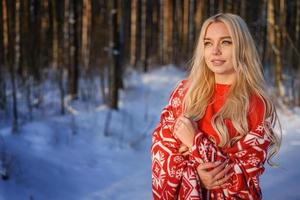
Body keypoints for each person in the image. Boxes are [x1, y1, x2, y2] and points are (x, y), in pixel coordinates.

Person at [151, 13, 281, 200]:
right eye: (208, 43)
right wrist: (196, 176)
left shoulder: (256, 104)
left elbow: (244, 180)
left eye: (226, 42)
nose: (215, 51)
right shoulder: (185, 92)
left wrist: (194, 142)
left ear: (241, 47)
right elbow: (161, 152)